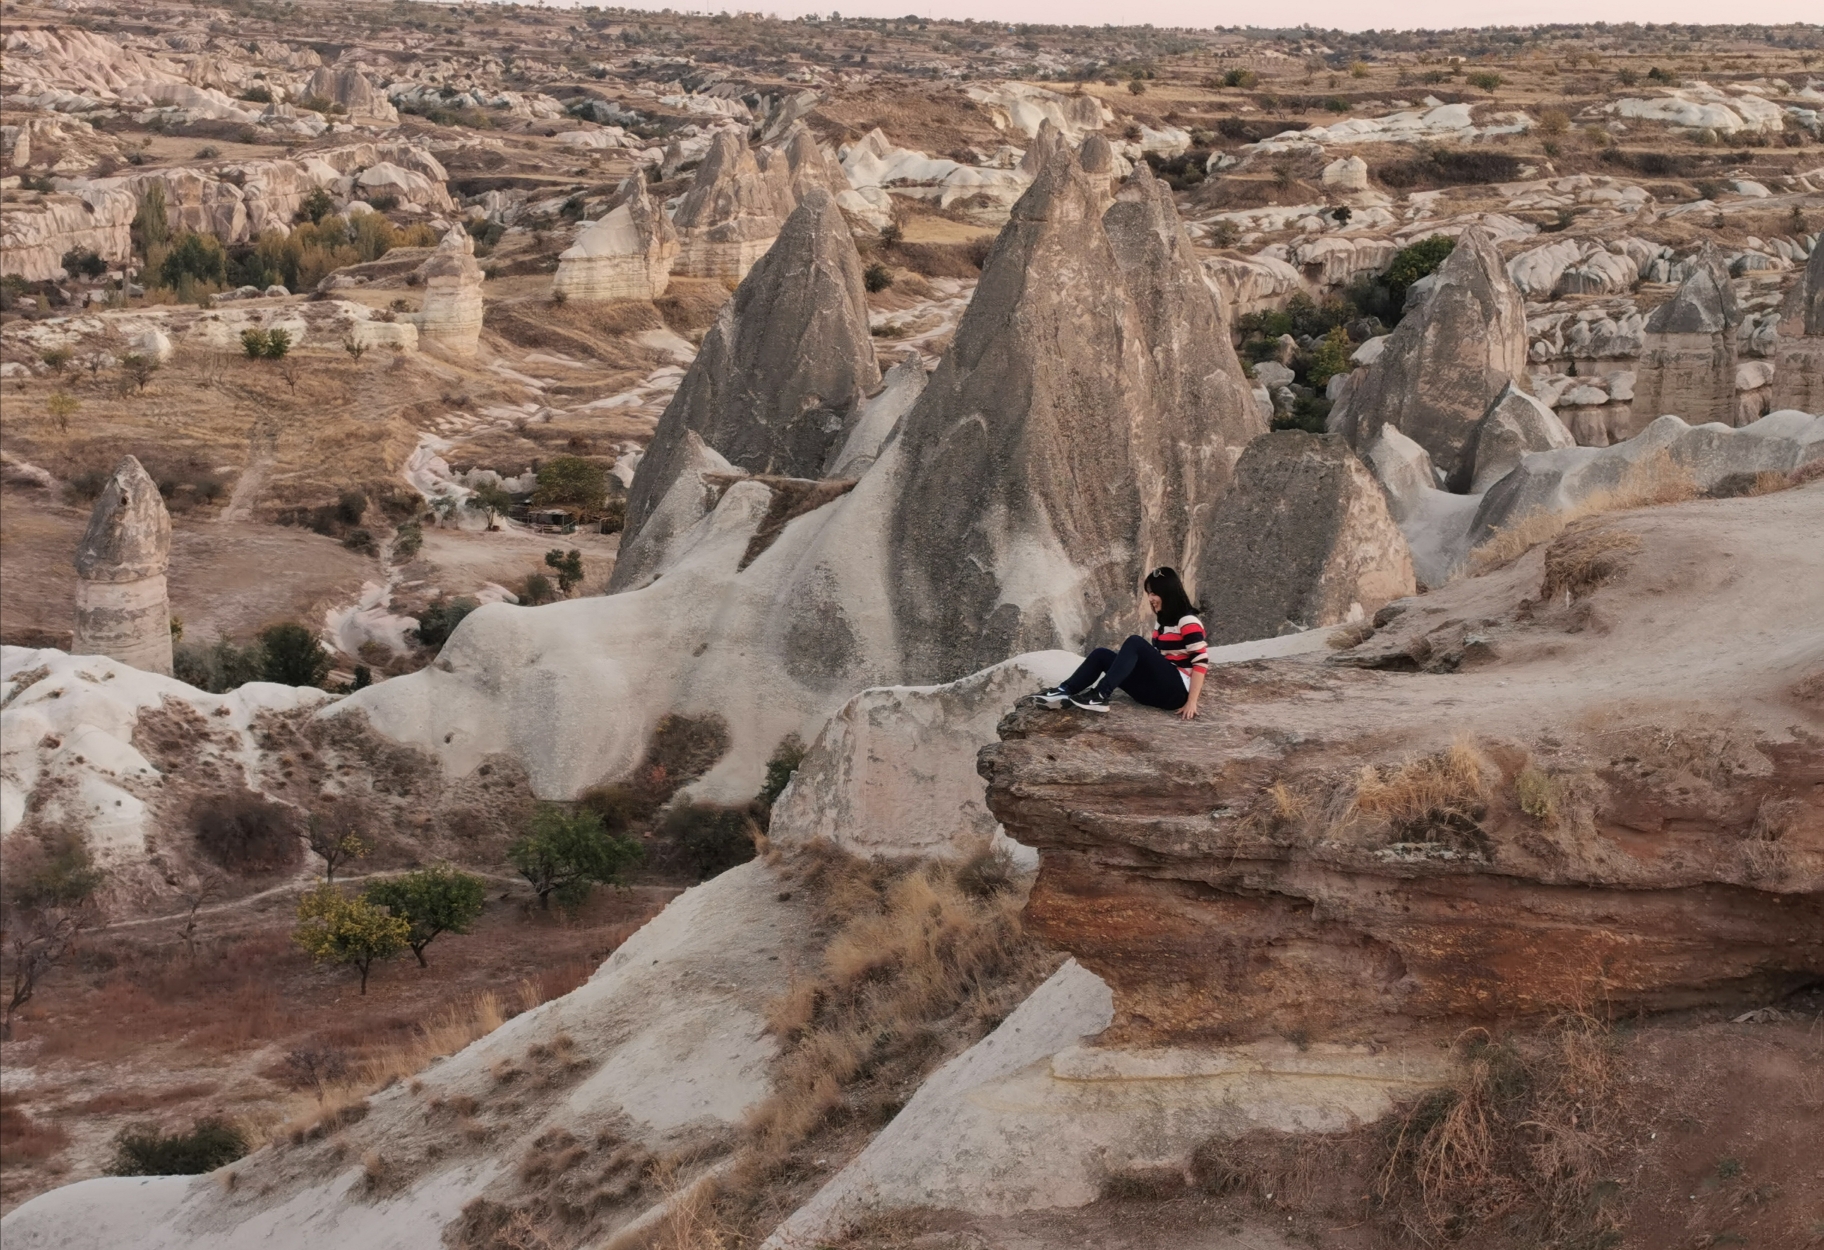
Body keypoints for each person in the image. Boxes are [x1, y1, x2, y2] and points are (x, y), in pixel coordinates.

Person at [1037, 567, 1208, 719]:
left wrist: (1192, 701)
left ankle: (1100, 695)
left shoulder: (1188, 621)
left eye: (1154, 593)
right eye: (1149, 593)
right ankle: (1064, 691)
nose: (1150, 598)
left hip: (1176, 692)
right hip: (1154, 691)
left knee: (1135, 642)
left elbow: (1200, 662)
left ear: (1167, 593)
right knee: (1101, 655)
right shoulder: (1162, 622)